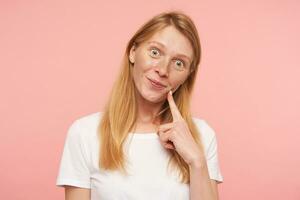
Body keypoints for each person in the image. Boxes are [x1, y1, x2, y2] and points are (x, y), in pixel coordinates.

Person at [56, 10, 224, 200]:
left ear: (186, 76)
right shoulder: (84, 133)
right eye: (155, 52)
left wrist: (197, 161)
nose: (162, 70)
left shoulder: (202, 136)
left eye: (178, 63)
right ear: (133, 52)